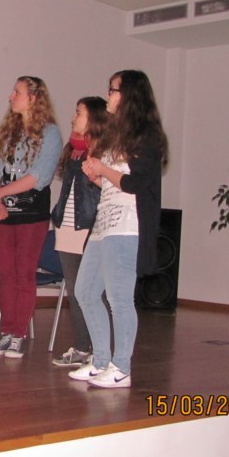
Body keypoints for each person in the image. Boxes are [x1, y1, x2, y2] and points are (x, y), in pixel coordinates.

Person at [68, 70, 168, 388]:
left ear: (129, 96)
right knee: (85, 292)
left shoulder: (145, 135)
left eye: (113, 90)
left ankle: (121, 367)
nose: (108, 95)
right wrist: (97, 176)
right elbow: (114, 183)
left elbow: (137, 183)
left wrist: (103, 169)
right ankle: (100, 361)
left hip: (127, 225)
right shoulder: (116, 134)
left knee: (119, 297)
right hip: (104, 224)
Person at [0, 76, 62, 359]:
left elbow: (38, 177)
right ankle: (6, 332)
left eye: (16, 92)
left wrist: (0, 194)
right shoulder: (5, 133)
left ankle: (18, 334)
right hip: (2, 213)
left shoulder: (50, 134)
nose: (11, 96)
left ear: (33, 98)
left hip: (31, 214)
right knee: (6, 273)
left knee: (24, 273)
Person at [50, 96, 108, 367]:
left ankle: (102, 350)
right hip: (67, 225)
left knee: (95, 291)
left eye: (79, 113)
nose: (73, 118)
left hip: (91, 226)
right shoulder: (71, 149)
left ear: (94, 119)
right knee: (74, 291)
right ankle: (83, 347)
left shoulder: (106, 153)